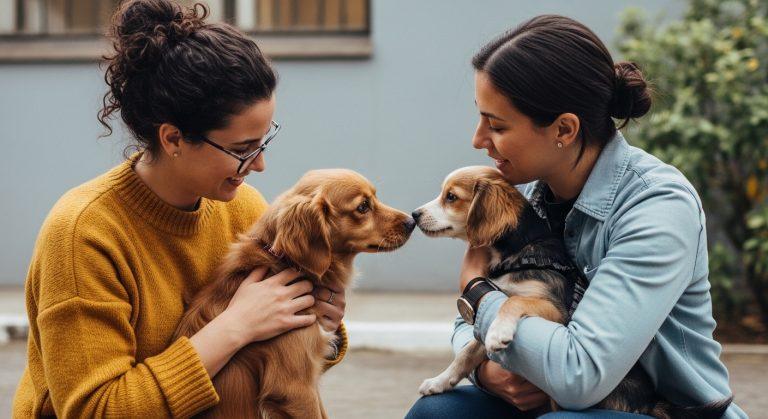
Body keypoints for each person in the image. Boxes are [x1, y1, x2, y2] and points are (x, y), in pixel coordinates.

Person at [12, 1, 346, 417]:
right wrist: (233, 328)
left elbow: (269, 380)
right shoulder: (83, 233)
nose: (260, 165)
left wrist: (316, 327)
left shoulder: (243, 209)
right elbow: (97, 410)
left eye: (265, 141)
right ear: (172, 139)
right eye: (243, 149)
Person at [407, 14, 746, 418]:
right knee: (437, 413)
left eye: (496, 125)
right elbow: (466, 327)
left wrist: (478, 293)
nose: (478, 140)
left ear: (564, 130)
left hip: (659, 407)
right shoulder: (522, 195)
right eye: (481, 118)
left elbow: (579, 377)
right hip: (556, 392)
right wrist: (485, 371)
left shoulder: (657, 207)